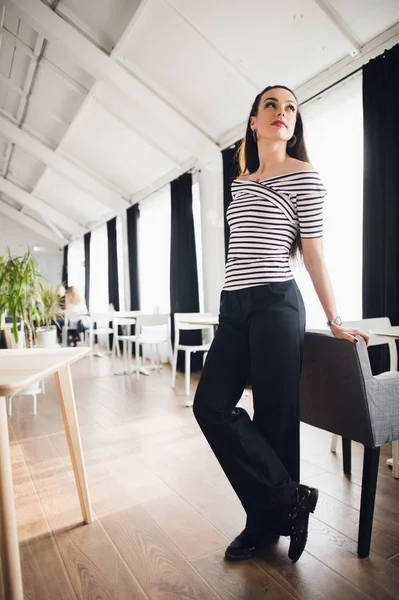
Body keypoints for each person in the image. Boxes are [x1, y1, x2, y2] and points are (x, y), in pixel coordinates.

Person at [193, 85, 369, 564]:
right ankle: (290, 499)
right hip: (234, 307)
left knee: (275, 418)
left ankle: (263, 523)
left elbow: (313, 254)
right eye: (271, 104)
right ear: (253, 120)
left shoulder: (304, 176)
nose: (281, 112)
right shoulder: (242, 179)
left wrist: (335, 319)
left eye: (290, 108)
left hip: (276, 304)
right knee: (210, 406)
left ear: (295, 125)